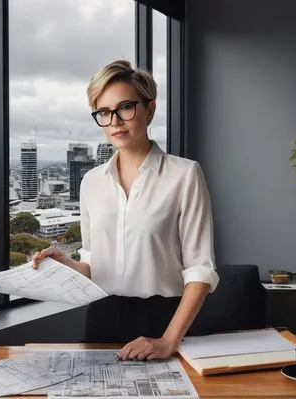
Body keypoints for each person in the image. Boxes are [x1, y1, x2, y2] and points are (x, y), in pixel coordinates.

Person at [32, 59, 219, 360]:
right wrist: (64, 262)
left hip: (163, 322)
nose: (115, 121)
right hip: (101, 318)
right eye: (104, 112)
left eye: (125, 108)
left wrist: (168, 341)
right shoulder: (91, 182)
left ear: (150, 109)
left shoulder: (184, 175)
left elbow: (200, 271)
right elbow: (94, 269)